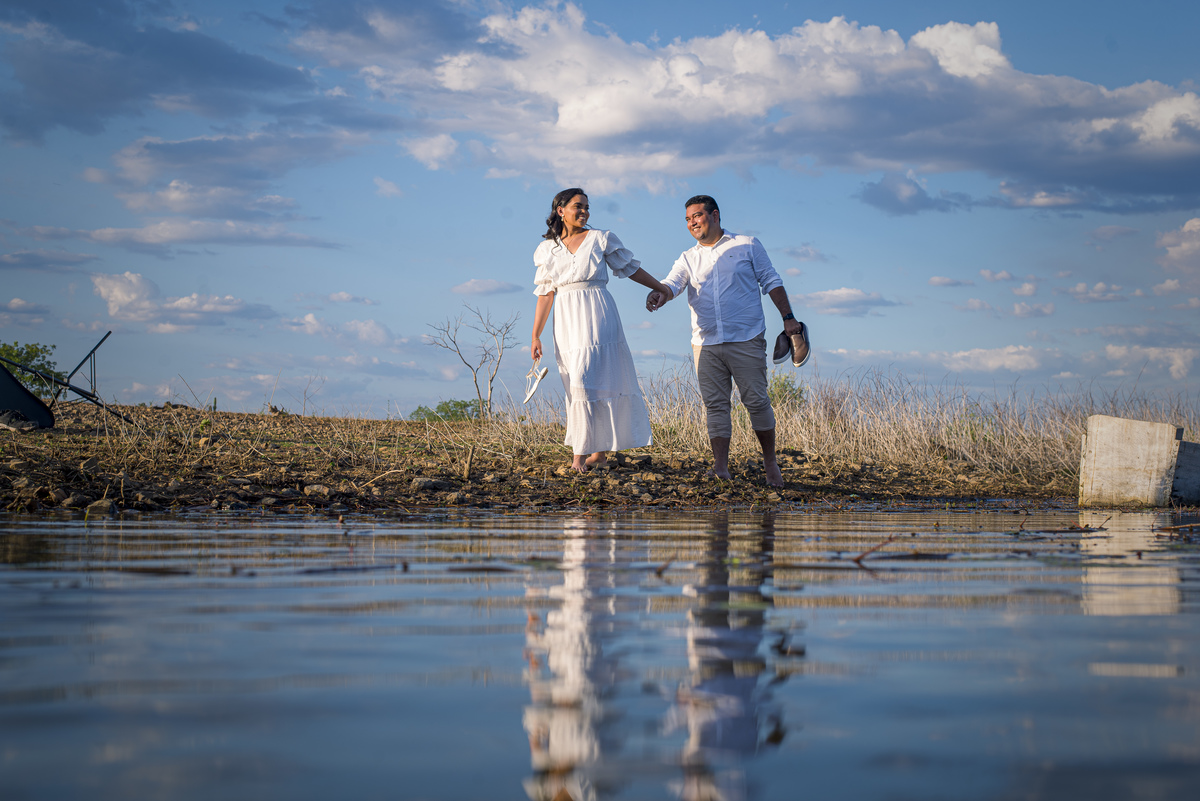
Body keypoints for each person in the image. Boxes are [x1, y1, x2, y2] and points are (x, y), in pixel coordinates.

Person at [646, 195, 801, 487]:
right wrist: (659, 293)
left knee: (756, 401)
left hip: (746, 337)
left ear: (715, 215)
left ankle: (770, 464)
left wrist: (789, 319)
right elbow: (672, 283)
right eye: (688, 219)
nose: (692, 222)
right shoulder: (687, 258)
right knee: (715, 405)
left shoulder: (747, 245)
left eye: (697, 216)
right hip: (705, 343)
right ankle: (720, 468)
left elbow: (771, 280)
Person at [531, 188, 672, 472]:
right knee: (576, 381)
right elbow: (546, 294)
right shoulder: (548, 249)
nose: (584, 212)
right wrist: (536, 334)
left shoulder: (600, 238)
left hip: (597, 311)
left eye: (586, 207)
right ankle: (599, 453)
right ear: (561, 210)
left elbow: (630, 269)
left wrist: (660, 288)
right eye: (577, 207)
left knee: (588, 375)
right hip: (566, 317)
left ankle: (578, 457)